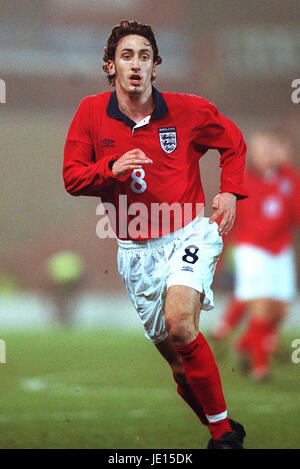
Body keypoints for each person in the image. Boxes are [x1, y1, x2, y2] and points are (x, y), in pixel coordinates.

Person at [63, 20, 248, 449]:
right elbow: (72, 178)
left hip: (188, 234)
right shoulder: (90, 113)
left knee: (181, 325)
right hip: (135, 254)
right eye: (126, 56)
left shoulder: (188, 110)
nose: (136, 64)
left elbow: (233, 142)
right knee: (182, 369)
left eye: (144, 56)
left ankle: (223, 440)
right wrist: (109, 169)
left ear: (155, 66)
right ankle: (222, 428)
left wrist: (231, 191)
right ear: (110, 66)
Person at [211, 130, 300, 379]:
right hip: (251, 248)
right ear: (254, 154)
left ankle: (241, 342)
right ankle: (260, 367)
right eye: (262, 150)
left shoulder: (289, 178)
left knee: (280, 308)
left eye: (271, 150)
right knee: (260, 302)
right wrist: (217, 255)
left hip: (281, 248)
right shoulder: (240, 181)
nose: (267, 155)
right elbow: (227, 217)